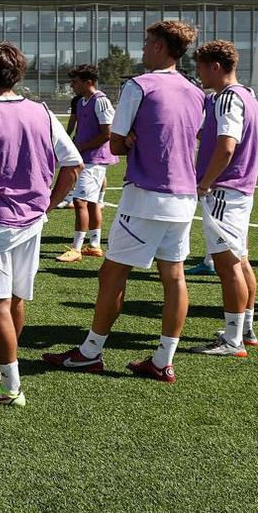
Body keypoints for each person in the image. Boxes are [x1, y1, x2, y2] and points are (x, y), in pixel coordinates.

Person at [43, 20, 204, 383]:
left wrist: (130, 139)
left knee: (112, 273)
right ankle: (163, 360)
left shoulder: (139, 85)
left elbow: (114, 143)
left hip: (146, 195)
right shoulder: (195, 91)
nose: (143, 49)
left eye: (148, 43)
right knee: (174, 278)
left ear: (161, 47)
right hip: (184, 196)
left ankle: (90, 352)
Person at [0, 42, 82, 406]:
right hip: (32, 221)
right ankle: (0, 362)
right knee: (15, 298)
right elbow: (73, 163)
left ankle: (11, 385)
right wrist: (47, 202)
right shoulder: (43, 112)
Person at [186, 41, 258, 356]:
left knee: (226, 264)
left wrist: (205, 181)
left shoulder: (227, 98)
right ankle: (246, 329)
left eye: (200, 67)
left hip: (224, 190)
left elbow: (227, 146)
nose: (198, 74)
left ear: (215, 66)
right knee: (240, 260)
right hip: (239, 188)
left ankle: (232, 341)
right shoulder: (248, 95)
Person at [56, 65, 117, 262]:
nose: (72, 86)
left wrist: (83, 147)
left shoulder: (101, 101)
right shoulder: (82, 101)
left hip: (95, 160)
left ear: (88, 81)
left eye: (75, 82)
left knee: (79, 201)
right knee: (91, 203)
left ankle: (76, 248)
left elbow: (107, 133)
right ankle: (94, 245)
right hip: (87, 159)